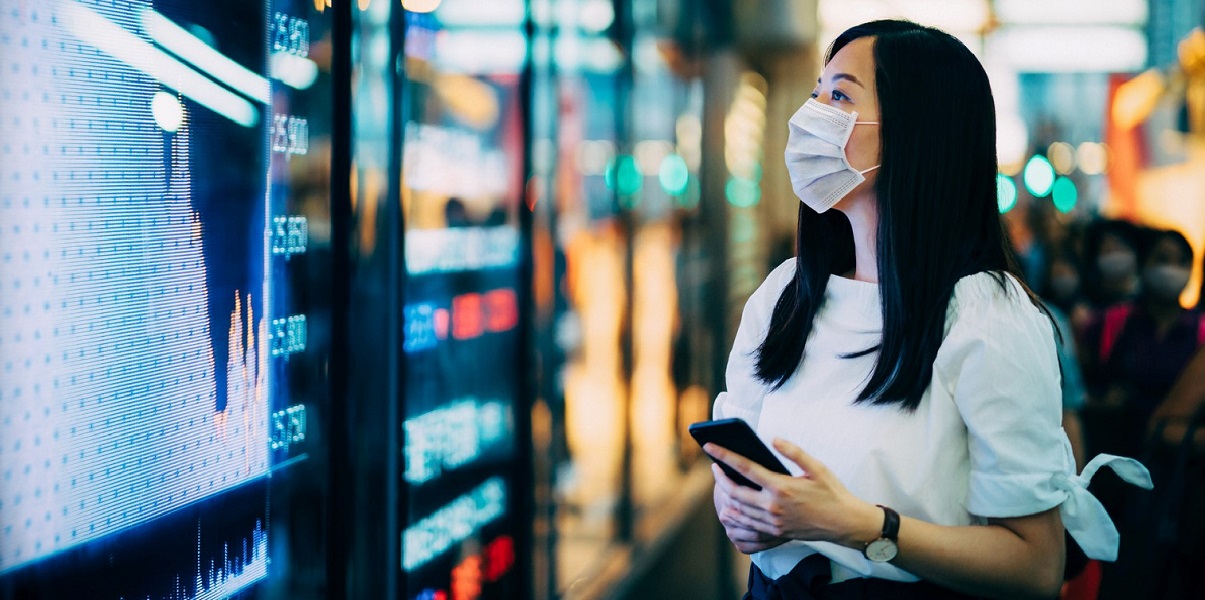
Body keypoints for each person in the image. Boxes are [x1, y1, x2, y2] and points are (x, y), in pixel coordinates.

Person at [705, 20, 1151, 599]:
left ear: (917, 130)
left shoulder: (987, 314)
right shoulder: (785, 295)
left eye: (839, 95)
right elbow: (737, 453)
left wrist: (861, 525)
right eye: (816, 92)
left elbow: (1037, 567)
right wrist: (741, 508)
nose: (809, 114)